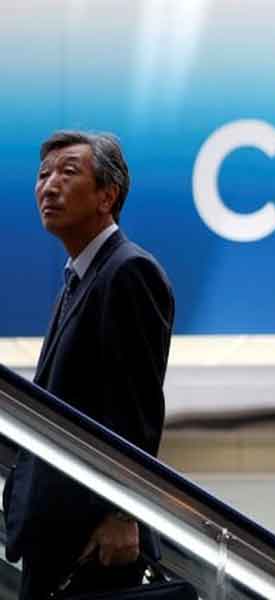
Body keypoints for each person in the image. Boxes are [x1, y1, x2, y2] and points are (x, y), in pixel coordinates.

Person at [3, 131, 175, 599]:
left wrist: (123, 512)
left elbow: (137, 407)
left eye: (68, 172)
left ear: (107, 196)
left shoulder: (128, 271)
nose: (49, 185)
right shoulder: (78, 278)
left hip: (95, 541)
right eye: (43, 175)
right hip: (54, 532)